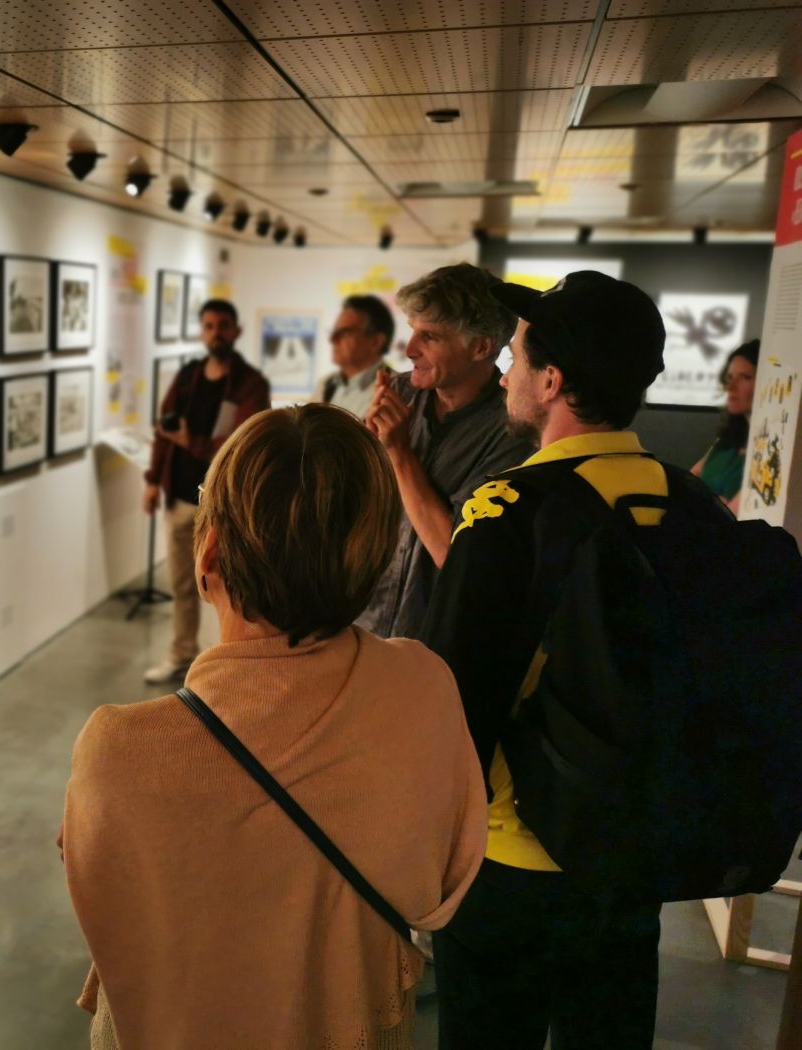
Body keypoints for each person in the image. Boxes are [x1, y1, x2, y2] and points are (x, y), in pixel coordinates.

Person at [67, 404, 488, 1049]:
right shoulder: (425, 685)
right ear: (374, 552)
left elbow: (109, 910)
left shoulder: (119, 748)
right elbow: (440, 888)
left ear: (207, 552)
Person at [420, 272, 676, 1049]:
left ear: (553, 382)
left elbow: (450, 710)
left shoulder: (505, 513)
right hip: (633, 861)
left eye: (519, 353)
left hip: (514, 862)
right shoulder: (687, 504)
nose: (506, 367)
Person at [357, 263, 531, 639]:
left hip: (436, 646)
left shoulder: (513, 430)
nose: (409, 350)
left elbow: (456, 561)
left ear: (481, 347)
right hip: (363, 631)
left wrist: (399, 455)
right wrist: (364, 453)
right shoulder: (398, 394)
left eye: (430, 337)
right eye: (413, 331)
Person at [142, 299, 271, 684]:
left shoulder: (250, 384)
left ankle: (228, 664)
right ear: (203, 330)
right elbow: (164, 431)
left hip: (224, 506)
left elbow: (238, 441)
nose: (216, 332)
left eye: (224, 325)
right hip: (180, 500)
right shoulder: (187, 378)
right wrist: (152, 480)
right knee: (183, 583)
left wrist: (191, 441)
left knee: (229, 587)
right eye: (210, 325)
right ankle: (182, 653)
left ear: (236, 331)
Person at [691, 338, 758, 513]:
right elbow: (686, 485)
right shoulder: (726, 440)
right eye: (729, 378)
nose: (731, 387)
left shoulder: (768, 449)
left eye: (745, 377)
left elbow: (730, 519)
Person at [315, 293, 395, 418]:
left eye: (345, 332)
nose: (332, 339)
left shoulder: (398, 390)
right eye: (334, 332)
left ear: (376, 342)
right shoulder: (325, 385)